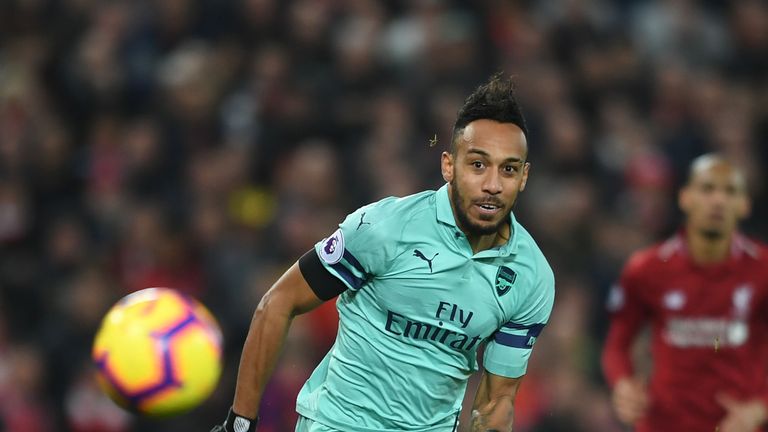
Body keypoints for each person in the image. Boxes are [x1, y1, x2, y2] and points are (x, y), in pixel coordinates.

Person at [210, 73, 555, 432]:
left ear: (525, 177)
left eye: (509, 169)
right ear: (449, 166)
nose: (493, 185)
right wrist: (241, 422)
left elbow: (497, 400)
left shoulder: (531, 277)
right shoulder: (386, 227)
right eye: (478, 165)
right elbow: (279, 301)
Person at [601, 154, 768, 432]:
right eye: (707, 189)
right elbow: (617, 345)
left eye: (729, 192)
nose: (717, 200)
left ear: (744, 205)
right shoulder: (646, 269)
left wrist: (760, 408)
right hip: (664, 424)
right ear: (685, 198)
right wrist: (623, 385)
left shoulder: (763, 269)